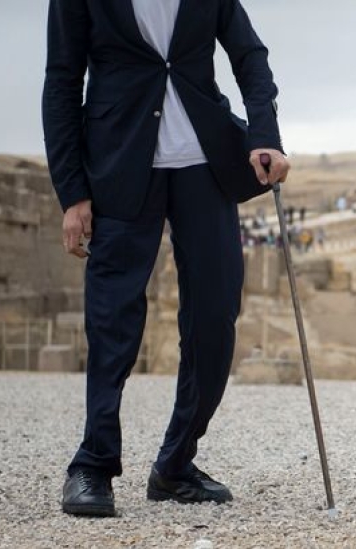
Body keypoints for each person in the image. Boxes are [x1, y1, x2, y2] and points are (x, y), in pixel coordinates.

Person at [42, 0, 290, 517]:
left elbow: (249, 53)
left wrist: (264, 133)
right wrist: (72, 192)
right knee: (113, 322)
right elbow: (62, 82)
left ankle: (175, 464)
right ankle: (93, 464)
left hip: (205, 166)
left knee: (215, 319)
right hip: (119, 165)